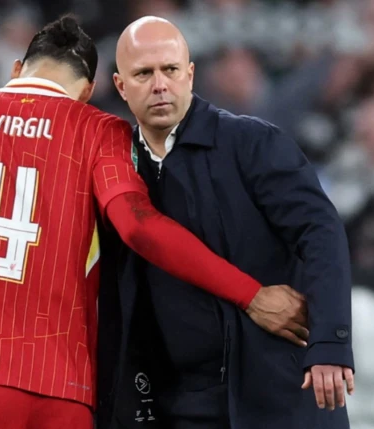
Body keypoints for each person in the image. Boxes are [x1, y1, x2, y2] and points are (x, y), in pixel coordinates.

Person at [0, 16, 307, 429]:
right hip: (65, 396)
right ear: (89, 90)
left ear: (17, 70)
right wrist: (249, 293)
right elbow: (139, 228)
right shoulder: (100, 131)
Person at [95, 16, 355, 429]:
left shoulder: (252, 142)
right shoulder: (117, 173)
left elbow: (320, 231)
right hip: (176, 405)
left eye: (170, 70)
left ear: (190, 74)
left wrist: (329, 344)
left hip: (277, 396)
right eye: (144, 73)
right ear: (121, 86)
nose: (160, 84)